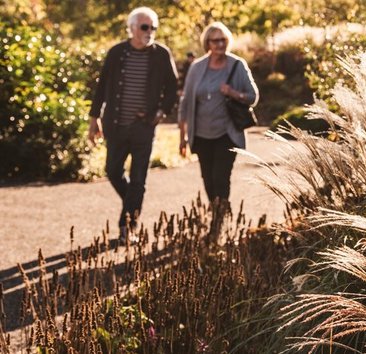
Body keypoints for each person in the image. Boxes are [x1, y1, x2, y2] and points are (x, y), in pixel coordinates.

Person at [88, 6, 178, 242]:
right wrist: (93, 118)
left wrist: (159, 113)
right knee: (113, 172)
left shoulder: (161, 54)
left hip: (143, 127)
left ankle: (127, 227)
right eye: (145, 27)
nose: (150, 31)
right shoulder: (117, 52)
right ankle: (133, 202)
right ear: (132, 28)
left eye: (153, 27)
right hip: (115, 125)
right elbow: (101, 89)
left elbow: (172, 90)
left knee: (138, 179)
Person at [178, 21, 259, 236]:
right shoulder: (197, 68)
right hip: (201, 135)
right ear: (208, 43)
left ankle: (218, 224)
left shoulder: (237, 65)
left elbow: (253, 96)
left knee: (220, 177)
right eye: (215, 40)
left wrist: (233, 93)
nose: (220, 44)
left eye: (223, 39)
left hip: (227, 133)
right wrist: (182, 136)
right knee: (208, 179)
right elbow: (185, 103)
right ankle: (220, 212)